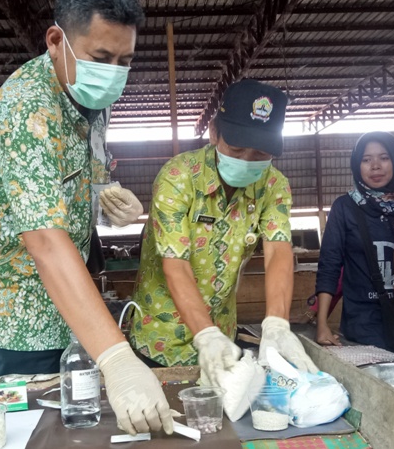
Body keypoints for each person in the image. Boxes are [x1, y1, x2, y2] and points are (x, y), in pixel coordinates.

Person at [0, 0, 172, 436]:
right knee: (28, 429)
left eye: (124, 61)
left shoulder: (91, 97)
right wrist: (117, 358)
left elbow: (84, 174)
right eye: (101, 59)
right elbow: (45, 240)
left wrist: (108, 197)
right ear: (56, 41)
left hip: (68, 298)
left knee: (76, 421)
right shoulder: (27, 110)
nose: (113, 73)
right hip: (15, 307)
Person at [129, 79, 318, 388]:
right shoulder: (179, 177)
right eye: (237, 148)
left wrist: (276, 324)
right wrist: (205, 335)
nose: (246, 160)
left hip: (225, 336)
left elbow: (278, 251)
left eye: (260, 153)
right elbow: (175, 264)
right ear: (214, 132)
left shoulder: (274, 185)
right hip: (161, 339)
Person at [314, 132, 394, 359]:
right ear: (357, 165)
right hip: (364, 321)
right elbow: (329, 265)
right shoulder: (345, 207)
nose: (375, 166)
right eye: (366, 160)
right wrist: (322, 325)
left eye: (384, 158)